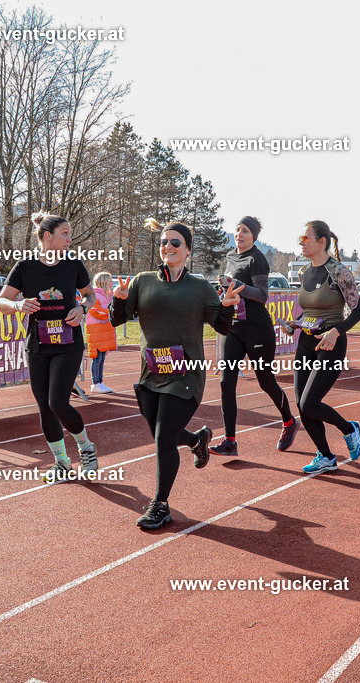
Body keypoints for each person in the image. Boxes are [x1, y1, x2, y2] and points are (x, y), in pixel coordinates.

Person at [110, 218, 243, 529]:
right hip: (151, 372)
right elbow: (119, 320)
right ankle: (197, 440)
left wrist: (227, 306)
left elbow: (222, 326)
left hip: (186, 373)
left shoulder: (199, 287)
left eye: (175, 243)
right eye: (164, 242)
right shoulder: (143, 281)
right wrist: (118, 301)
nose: (167, 246)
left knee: (163, 438)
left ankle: (160, 504)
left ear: (187, 250)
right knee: (161, 432)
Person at [0, 213, 98, 481]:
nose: (69, 238)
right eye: (65, 233)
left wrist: (83, 307)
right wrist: (18, 305)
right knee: (44, 406)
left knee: (58, 403)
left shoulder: (73, 265)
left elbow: (91, 294)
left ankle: (86, 447)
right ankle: (62, 463)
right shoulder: (25, 267)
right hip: (38, 345)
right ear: (47, 236)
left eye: (70, 233)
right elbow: (0, 302)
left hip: (69, 343)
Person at [279, 220, 360, 475]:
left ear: (321, 242)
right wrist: (294, 324)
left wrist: (336, 331)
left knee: (309, 403)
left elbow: (359, 311)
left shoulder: (339, 272)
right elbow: (309, 310)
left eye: (306, 238)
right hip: (306, 341)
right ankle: (326, 456)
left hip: (331, 344)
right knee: (302, 404)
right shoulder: (305, 272)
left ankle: (349, 429)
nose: (301, 242)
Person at [209, 216, 297, 457]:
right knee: (227, 382)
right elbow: (232, 289)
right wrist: (223, 289)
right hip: (234, 327)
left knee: (265, 381)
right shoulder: (230, 256)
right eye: (238, 229)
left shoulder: (257, 259)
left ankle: (289, 422)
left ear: (254, 236)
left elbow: (262, 295)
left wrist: (235, 284)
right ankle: (230, 441)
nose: (239, 234)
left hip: (257, 328)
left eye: (245, 230)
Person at [86, 271, 117, 393]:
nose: (112, 283)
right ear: (104, 282)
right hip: (96, 329)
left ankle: (100, 381)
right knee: (97, 357)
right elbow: (96, 311)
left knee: (103, 357)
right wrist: (111, 313)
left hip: (105, 329)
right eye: (110, 280)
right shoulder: (94, 295)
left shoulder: (109, 294)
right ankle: (95, 383)